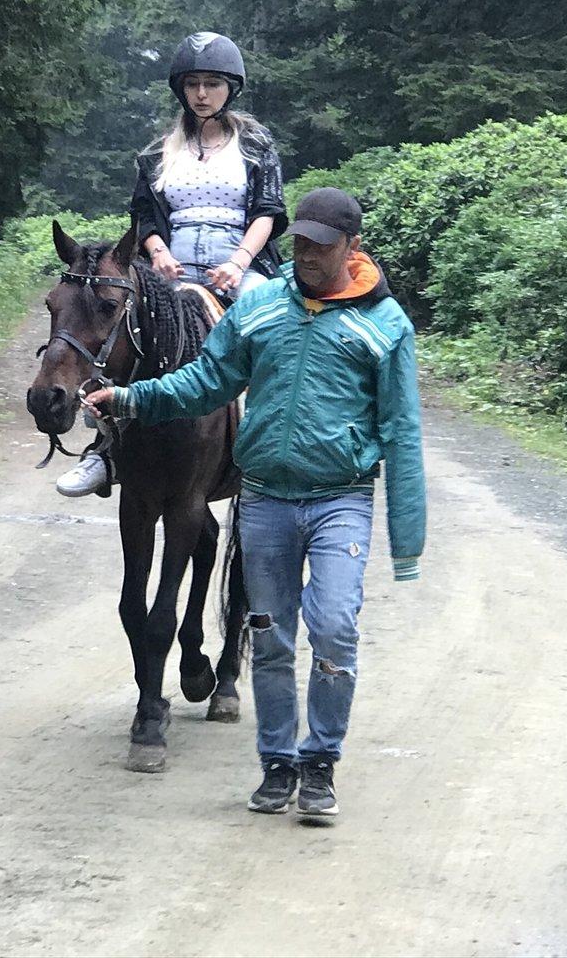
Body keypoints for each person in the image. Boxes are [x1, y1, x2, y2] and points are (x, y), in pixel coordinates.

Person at [83, 187, 426, 820]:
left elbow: (402, 430)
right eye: (299, 242)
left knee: (333, 628)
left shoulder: (384, 325)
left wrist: (407, 540)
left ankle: (319, 763)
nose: (307, 255)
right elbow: (207, 381)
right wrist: (131, 400)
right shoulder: (263, 306)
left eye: (322, 246)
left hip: (339, 499)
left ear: (353, 248)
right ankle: (277, 764)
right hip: (265, 495)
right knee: (268, 637)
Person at [57, 31, 288, 498]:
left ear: (231, 89)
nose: (202, 94)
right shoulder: (156, 153)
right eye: (194, 84)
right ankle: (105, 447)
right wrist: (159, 254)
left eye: (213, 84)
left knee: (272, 330)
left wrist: (240, 263)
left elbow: (268, 211)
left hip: (238, 262)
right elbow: (145, 215)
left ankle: (267, 440)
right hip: (171, 267)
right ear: (181, 89)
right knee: (127, 333)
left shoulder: (256, 146)